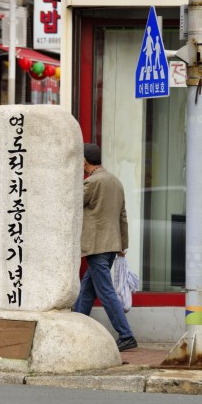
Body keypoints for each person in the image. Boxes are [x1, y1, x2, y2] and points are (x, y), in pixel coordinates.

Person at [72, 143, 137, 351]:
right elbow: (122, 216)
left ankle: (126, 335)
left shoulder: (92, 183)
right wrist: (123, 244)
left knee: (105, 292)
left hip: (97, 245)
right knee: (87, 289)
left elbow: (72, 204)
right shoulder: (115, 181)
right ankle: (76, 329)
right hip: (111, 245)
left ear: (84, 161)